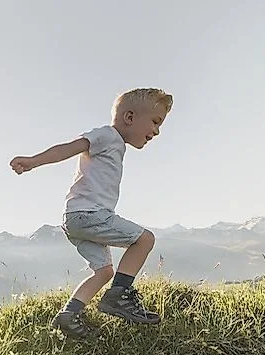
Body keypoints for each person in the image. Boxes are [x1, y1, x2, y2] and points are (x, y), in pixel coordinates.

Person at [10, 88, 173, 337]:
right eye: (155, 121)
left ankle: (68, 316)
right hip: (87, 214)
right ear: (129, 117)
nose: (158, 131)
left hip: (77, 219)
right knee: (144, 239)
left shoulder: (116, 144)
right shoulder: (106, 135)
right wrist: (33, 161)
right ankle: (118, 296)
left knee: (104, 271)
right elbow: (69, 148)